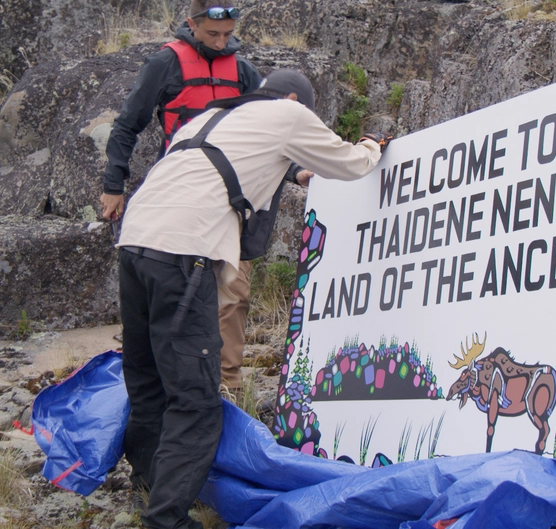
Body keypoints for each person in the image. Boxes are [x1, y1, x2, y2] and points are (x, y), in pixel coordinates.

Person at [116, 68, 390, 529]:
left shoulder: (209, 119)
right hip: (185, 251)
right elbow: (349, 163)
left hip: (135, 242)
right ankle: (166, 519)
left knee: (147, 380)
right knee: (196, 401)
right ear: (294, 100)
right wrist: (371, 146)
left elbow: (242, 166)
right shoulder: (289, 113)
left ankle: (147, 483)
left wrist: (298, 172)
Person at [100, 0, 306, 393]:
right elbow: (127, 124)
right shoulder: (165, 64)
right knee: (179, 298)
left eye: (228, 35)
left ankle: (227, 387)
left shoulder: (243, 71)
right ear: (191, 24)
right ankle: (171, 386)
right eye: (213, 34)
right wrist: (114, 185)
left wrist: (297, 171)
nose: (221, 42)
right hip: (180, 200)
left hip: (232, 203)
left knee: (233, 294)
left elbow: (272, 130)